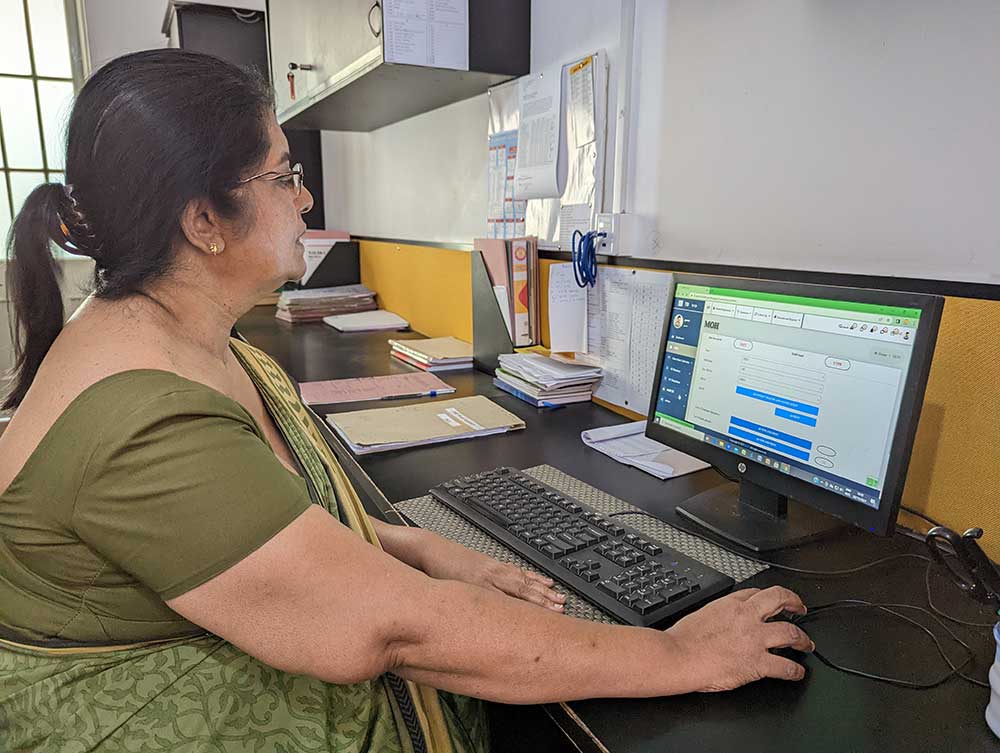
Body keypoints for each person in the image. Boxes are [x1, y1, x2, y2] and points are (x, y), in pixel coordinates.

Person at [0, 50, 813, 753]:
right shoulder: (144, 422)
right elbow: (391, 628)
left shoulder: (173, 339)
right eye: (285, 176)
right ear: (205, 219)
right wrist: (679, 656)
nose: (306, 200)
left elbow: (262, 531)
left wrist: (417, 547)